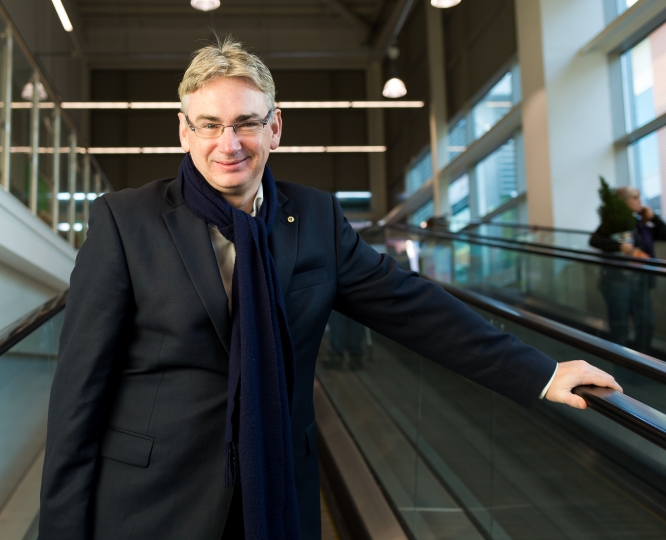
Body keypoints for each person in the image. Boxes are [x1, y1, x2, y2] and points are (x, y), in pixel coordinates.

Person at [39, 37, 621, 540]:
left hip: (277, 494)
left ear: (275, 126)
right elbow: (77, 396)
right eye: (210, 125)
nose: (229, 143)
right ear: (185, 132)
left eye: (246, 122)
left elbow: (412, 307)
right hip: (152, 502)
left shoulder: (315, 220)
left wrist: (540, 372)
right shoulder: (127, 220)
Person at [590, 186, 666, 352]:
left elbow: (664, 234)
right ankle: (620, 371)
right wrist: (619, 246)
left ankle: (642, 364)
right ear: (623, 202)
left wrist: (653, 217)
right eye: (635, 197)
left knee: (646, 323)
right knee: (620, 327)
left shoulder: (641, 223)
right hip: (617, 282)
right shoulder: (612, 222)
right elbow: (595, 240)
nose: (639, 201)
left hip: (641, 281)